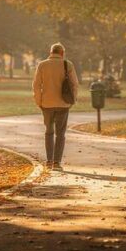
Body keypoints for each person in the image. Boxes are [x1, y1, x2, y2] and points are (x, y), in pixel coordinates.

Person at [33, 43, 79, 171]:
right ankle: (57, 163)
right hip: (63, 104)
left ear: (51, 52)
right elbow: (75, 84)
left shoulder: (42, 65)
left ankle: (49, 161)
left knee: (49, 132)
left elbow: (36, 85)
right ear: (62, 53)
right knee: (60, 134)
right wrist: (72, 100)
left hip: (46, 104)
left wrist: (39, 101)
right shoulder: (67, 64)